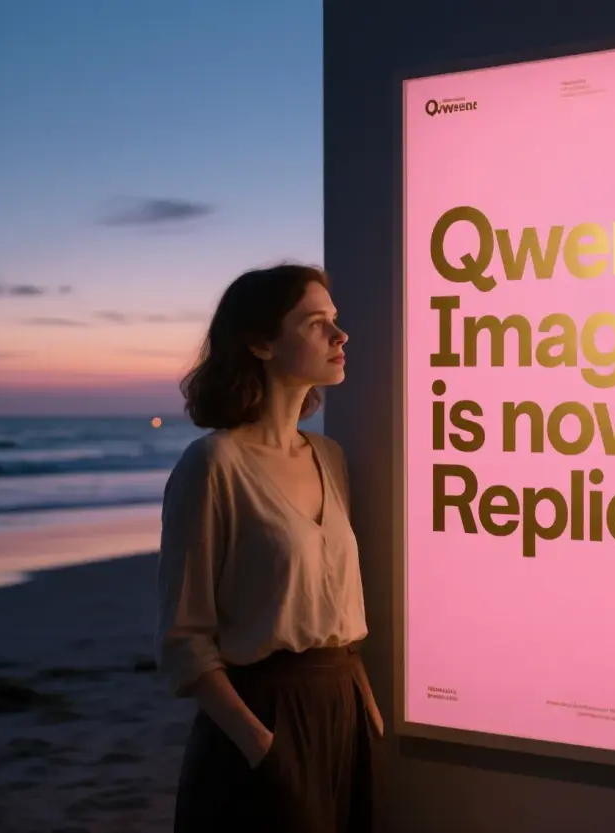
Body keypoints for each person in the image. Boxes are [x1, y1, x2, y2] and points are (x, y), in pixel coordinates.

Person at [155, 263, 383, 833]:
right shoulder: (214, 466)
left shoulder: (329, 457)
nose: (340, 335)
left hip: (341, 712)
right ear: (260, 343)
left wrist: (364, 704)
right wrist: (261, 745)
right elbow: (184, 640)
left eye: (334, 319)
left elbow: (333, 599)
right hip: (260, 719)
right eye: (315, 323)